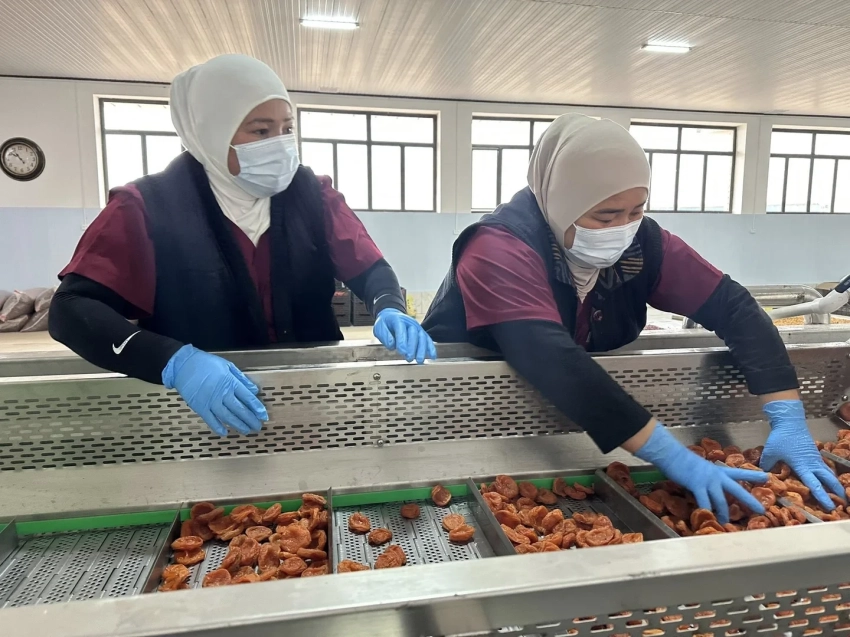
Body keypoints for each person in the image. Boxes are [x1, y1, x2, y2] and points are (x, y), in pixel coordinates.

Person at [423, 113, 842, 522]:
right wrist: (669, 453)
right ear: (561, 202)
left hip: (573, 414)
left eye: (635, 211)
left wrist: (787, 416)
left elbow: (735, 308)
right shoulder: (497, 249)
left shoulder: (645, 244)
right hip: (458, 419)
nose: (621, 229)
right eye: (605, 216)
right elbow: (549, 356)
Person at [50, 54, 435, 437]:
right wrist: (175, 363)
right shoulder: (147, 207)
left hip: (310, 399)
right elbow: (72, 309)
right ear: (212, 133)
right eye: (261, 132)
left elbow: (369, 268)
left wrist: (388, 306)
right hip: (202, 414)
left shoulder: (311, 195)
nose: (280, 145)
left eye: (287, 129)